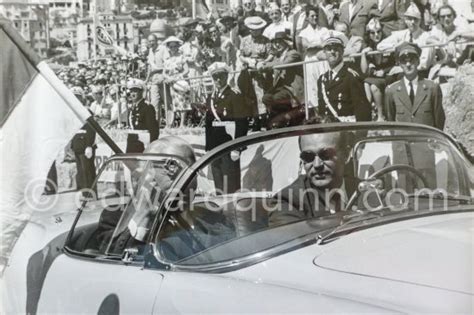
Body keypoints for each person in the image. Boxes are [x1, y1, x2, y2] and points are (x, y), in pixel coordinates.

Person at [270, 131, 352, 226]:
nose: (317, 165)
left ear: (346, 155)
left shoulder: (366, 190)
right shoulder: (287, 201)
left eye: (326, 155)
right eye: (308, 157)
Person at [205, 62, 249, 194]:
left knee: (231, 185)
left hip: (229, 146)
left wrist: (237, 147)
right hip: (215, 146)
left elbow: (242, 123)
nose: (218, 80)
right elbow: (208, 124)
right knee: (218, 184)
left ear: (227, 76)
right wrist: (208, 148)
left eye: (221, 76)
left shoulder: (234, 95)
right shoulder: (211, 98)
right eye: (215, 77)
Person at [384, 42, 445, 129]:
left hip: (426, 141)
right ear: (400, 64)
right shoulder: (391, 91)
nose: (408, 64)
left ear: (418, 61)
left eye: (412, 60)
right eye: (404, 61)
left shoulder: (432, 88)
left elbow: (439, 120)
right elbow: (391, 122)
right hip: (403, 141)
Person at [317, 31, 371, 122]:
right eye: (329, 49)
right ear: (324, 52)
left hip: (347, 130)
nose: (332, 52)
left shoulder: (351, 77)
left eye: (336, 48)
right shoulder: (322, 79)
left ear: (342, 51)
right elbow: (322, 111)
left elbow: (363, 110)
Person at [261, 32, 305, 129]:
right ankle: (280, 118)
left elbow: (282, 64)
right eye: (275, 42)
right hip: (282, 88)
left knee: (276, 97)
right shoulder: (278, 56)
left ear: (286, 42)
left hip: (292, 89)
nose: (277, 45)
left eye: (279, 42)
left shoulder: (293, 54)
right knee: (266, 98)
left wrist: (265, 65)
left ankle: (284, 118)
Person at [377, 3, 435, 74]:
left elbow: (424, 64)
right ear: (405, 20)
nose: (412, 22)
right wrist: (397, 46)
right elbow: (380, 46)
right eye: (410, 19)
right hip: (403, 70)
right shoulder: (401, 34)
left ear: (420, 21)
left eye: (416, 19)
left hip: (419, 72)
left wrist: (402, 69)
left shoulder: (426, 37)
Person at [360, 18, 397, 121]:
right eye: (372, 33)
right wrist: (363, 54)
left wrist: (383, 71)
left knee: (372, 86)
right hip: (377, 77)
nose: (376, 35)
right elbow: (364, 70)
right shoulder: (369, 46)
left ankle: (380, 115)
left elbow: (395, 63)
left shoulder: (388, 43)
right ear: (368, 34)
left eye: (378, 32)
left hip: (389, 75)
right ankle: (370, 113)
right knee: (367, 84)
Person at [296, 5, 330, 109]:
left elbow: (327, 44)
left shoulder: (324, 30)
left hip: (323, 60)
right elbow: (305, 45)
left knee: (325, 82)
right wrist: (319, 44)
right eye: (312, 16)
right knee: (312, 85)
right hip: (310, 61)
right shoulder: (304, 32)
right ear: (307, 18)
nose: (315, 18)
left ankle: (328, 109)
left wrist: (314, 45)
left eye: (316, 16)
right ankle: (316, 112)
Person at [70, 86, 97, 196]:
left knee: (88, 171)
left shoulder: (86, 111)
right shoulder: (72, 111)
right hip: (78, 144)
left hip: (85, 144)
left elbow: (91, 129)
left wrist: (89, 145)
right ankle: (84, 193)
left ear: (82, 98)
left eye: (78, 97)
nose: (75, 99)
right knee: (81, 171)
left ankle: (90, 194)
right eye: (73, 97)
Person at [162, 36, 190, 128]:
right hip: (172, 84)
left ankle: (182, 123)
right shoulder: (167, 60)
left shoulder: (181, 57)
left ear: (178, 47)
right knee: (175, 103)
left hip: (180, 82)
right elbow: (164, 73)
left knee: (183, 102)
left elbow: (186, 70)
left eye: (175, 46)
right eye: (171, 47)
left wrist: (179, 77)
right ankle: (173, 123)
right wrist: (168, 78)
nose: (173, 48)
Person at [126, 78, 159, 153]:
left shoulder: (147, 107)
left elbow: (153, 129)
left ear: (141, 92)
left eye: (135, 91)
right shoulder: (133, 108)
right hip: (133, 142)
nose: (133, 94)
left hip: (143, 143)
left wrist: (151, 147)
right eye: (131, 91)